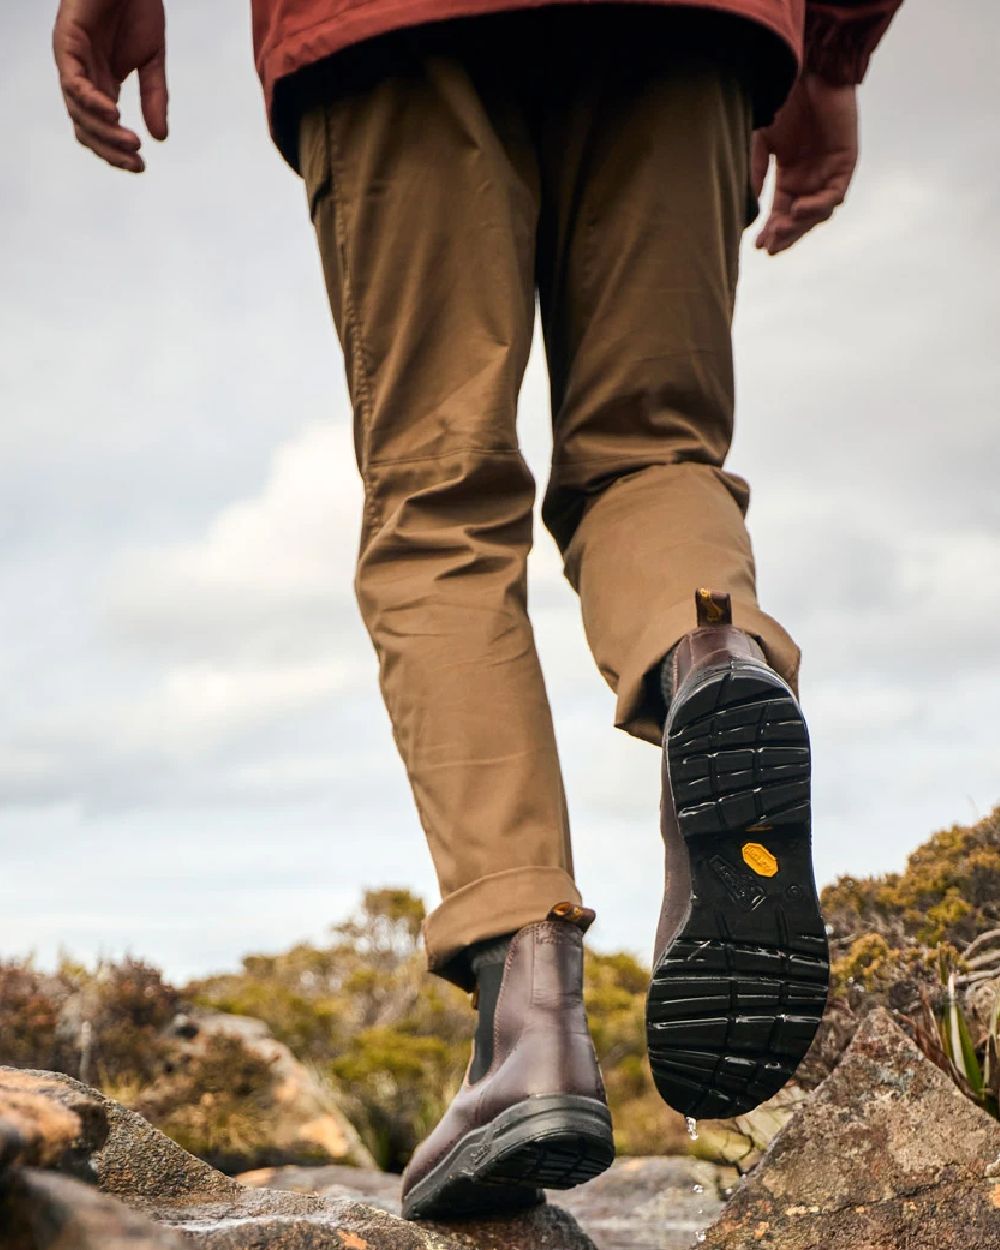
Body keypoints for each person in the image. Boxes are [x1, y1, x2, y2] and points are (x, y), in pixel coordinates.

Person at [53, 0, 904, 1221]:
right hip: (691, 28)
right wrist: (829, 58)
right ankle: (710, 655)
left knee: (438, 496)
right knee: (650, 452)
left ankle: (531, 1026)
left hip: (392, 27)